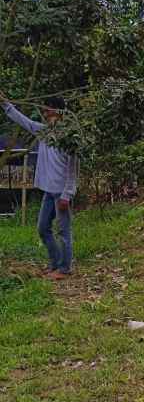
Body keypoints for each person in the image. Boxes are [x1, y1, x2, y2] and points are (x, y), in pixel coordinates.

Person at [0, 92, 78, 279]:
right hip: (48, 191)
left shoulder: (69, 138)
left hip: (61, 192)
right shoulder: (43, 131)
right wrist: (5, 104)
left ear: (59, 112)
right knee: (43, 228)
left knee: (63, 231)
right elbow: (24, 121)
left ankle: (64, 269)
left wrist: (67, 195)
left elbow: (73, 170)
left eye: (48, 109)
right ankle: (55, 263)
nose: (45, 113)